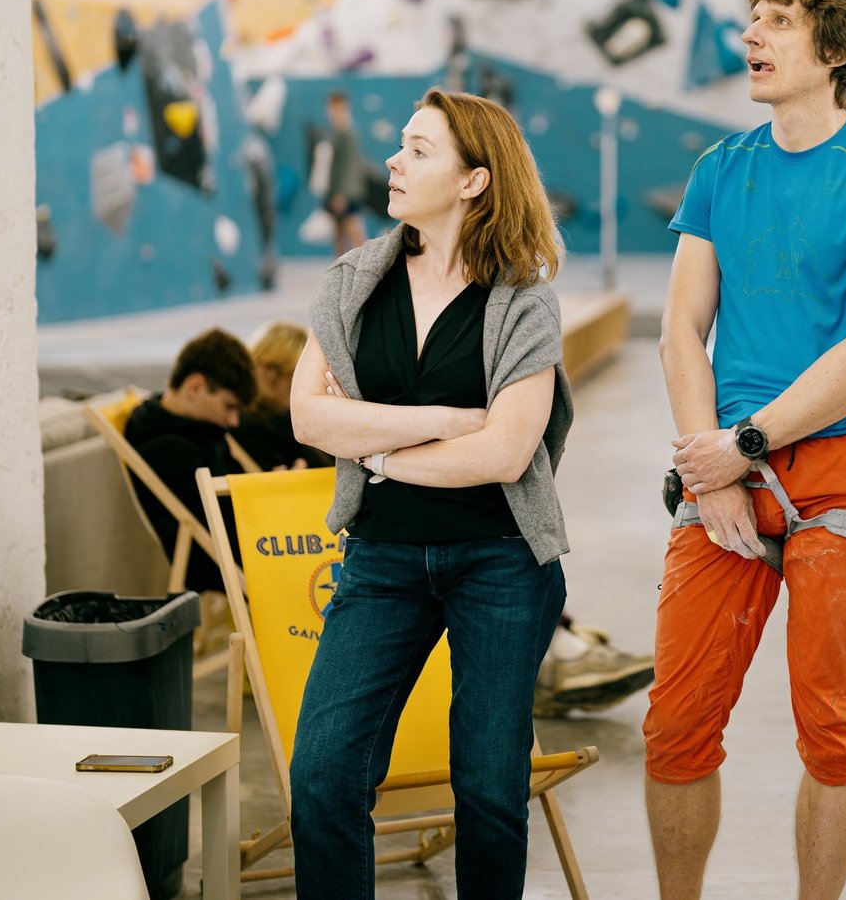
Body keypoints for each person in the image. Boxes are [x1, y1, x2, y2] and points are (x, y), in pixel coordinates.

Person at [646, 0, 846, 900]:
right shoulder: (720, 171)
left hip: (840, 467)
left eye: (778, 21)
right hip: (726, 466)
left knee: (832, 725)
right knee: (676, 724)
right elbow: (682, 329)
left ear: (838, 47)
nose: (753, 36)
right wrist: (711, 464)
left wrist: (747, 442)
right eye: (754, 19)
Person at [289, 87, 570, 900]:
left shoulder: (523, 298)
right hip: (380, 558)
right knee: (324, 769)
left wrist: (373, 445)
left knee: (487, 789)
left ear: (475, 180)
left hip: (502, 563)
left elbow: (507, 451)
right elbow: (309, 416)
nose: (393, 160)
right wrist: (444, 422)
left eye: (418, 149)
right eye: (400, 145)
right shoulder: (353, 281)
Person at [240, 318, 655, 717]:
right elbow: (315, 428)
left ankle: (570, 650)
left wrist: (367, 444)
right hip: (336, 538)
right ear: (268, 371)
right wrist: (422, 434)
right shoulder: (257, 430)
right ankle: (565, 660)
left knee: (501, 583)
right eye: (291, 376)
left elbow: (497, 455)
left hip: (404, 526)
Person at [121, 328, 257, 596]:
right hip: (223, 562)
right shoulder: (168, 450)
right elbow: (222, 534)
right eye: (229, 406)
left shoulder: (194, 429)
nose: (234, 421)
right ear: (195, 387)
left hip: (246, 541)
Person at [231, 319, 327, 471]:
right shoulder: (244, 424)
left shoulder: (279, 419)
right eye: (292, 381)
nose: (299, 390)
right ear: (266, 370)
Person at [316, 89, 371, 257]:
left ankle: (370, 267)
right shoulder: (338, 131)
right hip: (337, 192)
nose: (332, 112)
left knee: (354, 230)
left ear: (344, 107)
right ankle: (339, 272)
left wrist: (342, 194)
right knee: (339, 234)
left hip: (345, 193)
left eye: (336, 107)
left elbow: (348, 165)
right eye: (330, 107)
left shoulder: (347, 132)